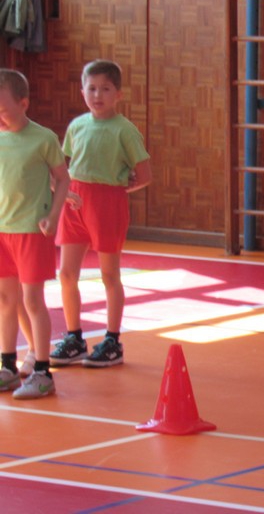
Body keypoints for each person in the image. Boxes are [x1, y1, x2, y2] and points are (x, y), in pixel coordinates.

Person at [50, 59, 152, 368]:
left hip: (107, 203)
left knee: (109, 274)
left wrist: (116, 189)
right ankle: (74, 337)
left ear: (118, 94)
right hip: (75, 203)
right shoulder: (77, 125)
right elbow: (66, 165)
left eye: (105, 89)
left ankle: (112, 340)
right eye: (91, 88)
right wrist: (63, 191)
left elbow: (144, 174)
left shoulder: (125, 130)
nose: (97, 95)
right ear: (82, 91)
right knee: (66, 274)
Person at [0, 68, 70, 399]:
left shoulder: (43, 139)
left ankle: (42, 371)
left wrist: (53, 216)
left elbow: (63, 179)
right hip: (3, 231)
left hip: (31, 230)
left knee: (32, 300)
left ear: (23, 103)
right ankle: (8, 366)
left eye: (3, 109)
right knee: (5, 300)